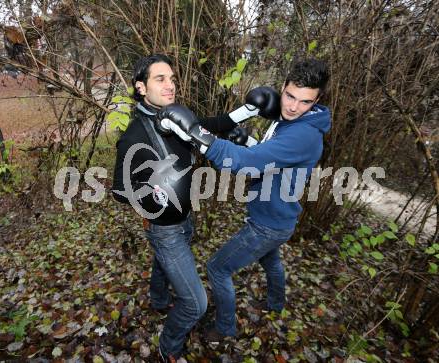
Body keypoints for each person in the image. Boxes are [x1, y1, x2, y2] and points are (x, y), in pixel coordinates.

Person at [111, 54, 279, 361]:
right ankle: (169, 347)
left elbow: (211, 125)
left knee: (162, 264)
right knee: (196, 303)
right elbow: (121, 192)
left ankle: (159, 299)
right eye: (160, 79)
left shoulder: (175, 119)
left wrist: (247, 111)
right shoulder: (133, 138)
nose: (170, 85)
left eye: (172, 78)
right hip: (165, 231)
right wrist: (152, 198)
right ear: (141, 87)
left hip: (186, 220)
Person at [156, 57, 331, 340]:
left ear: (318, 100)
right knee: (270, 262)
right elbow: (272, 158)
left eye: (304, 102)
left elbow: (245, 164)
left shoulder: (304, 135)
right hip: (279, 218)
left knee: (217, 268)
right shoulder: (296, 122)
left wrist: (199, 136)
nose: (292, 106)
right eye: (289, 96)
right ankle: (276, 304)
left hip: (267, 225)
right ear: (283, 86)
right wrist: (249, 143)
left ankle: (225, 329)